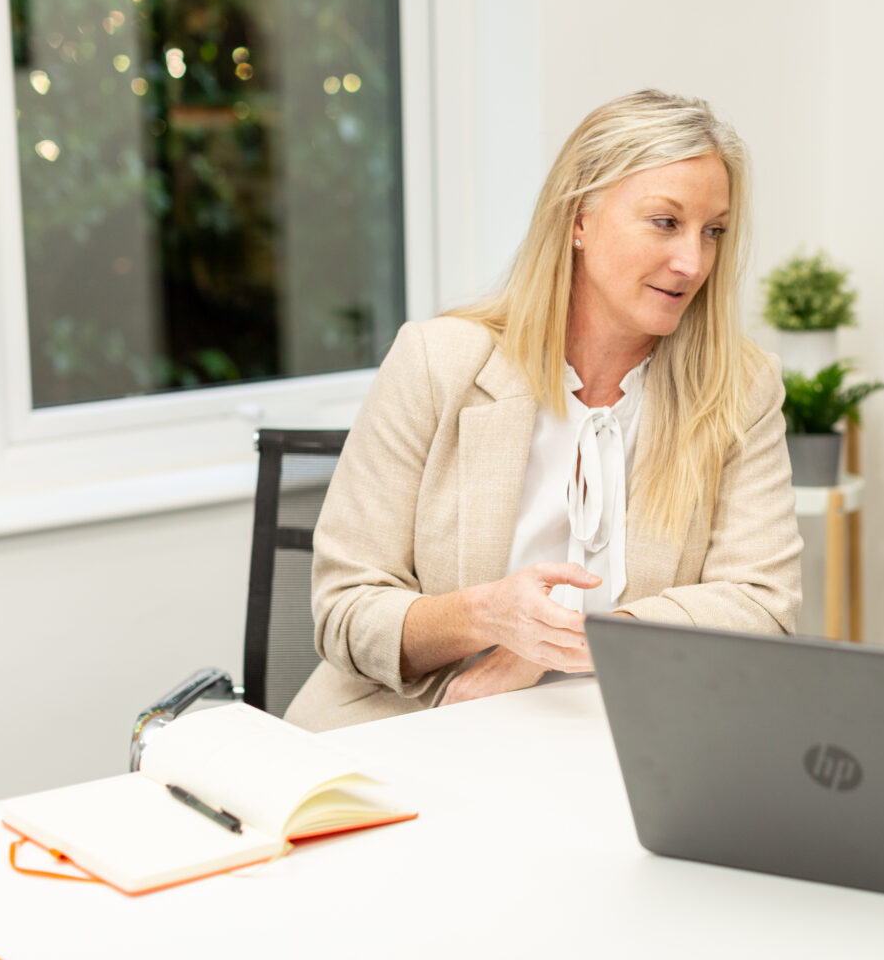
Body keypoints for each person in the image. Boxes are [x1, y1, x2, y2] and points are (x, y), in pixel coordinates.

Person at [285, 90, 802, 732]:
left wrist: (563, 643)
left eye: (713, 231)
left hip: (624, 734)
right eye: (665, 222)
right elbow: (344, 611)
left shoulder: (740, 388)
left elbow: (762, 604)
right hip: (419, 730)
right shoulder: (437, 362)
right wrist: (487, 616)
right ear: (579, 220)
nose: (692, 262)